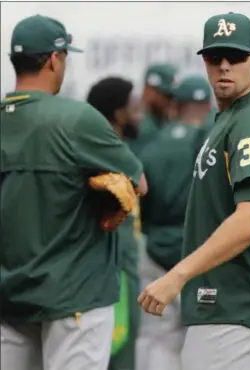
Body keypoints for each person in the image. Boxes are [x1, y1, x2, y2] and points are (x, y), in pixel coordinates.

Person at [138, 12, 250, 370]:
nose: (225, 66)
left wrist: (178, 275)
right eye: (215, 57)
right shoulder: (232, 117)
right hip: (233, 302)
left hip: (236, 301)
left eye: (236, 57)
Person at [0, 15, 146, 370]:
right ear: (54, 58)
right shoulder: (76, 119)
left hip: (8, 295)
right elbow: (139, 183)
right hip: (75, 295)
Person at [135, 74, 212, 370]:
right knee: (203, 339)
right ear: (207, 104)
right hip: (200, 253)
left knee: (158, 338)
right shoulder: (213, 145)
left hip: (156, 249)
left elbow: (143, 202)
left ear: (175, 106)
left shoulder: (151, 145)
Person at [87, 77, 146, 370]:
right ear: (116, 111)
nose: (138, 113)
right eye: (131, 106)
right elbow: (142, 186)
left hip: (126, 267)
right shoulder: (102, 152)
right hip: (114, 270)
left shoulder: (123, 147)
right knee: (116, 355)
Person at [127, 63, 178, 155]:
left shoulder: (162, 121)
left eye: (171, 97)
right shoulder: (140, 125)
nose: (169, 102)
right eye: (166, 95)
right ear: (148, 91)